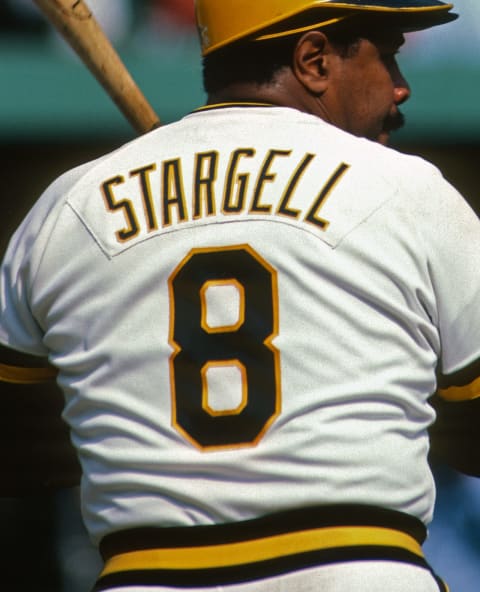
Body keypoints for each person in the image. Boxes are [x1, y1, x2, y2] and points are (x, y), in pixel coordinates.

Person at [1, 1, 478, 591]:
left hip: (146, 575)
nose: (401, 88)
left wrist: (130, 415)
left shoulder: (69, 205)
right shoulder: (408, 189)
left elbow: (14, 451)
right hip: (358, 567)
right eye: (388, 54)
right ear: (314, 60)